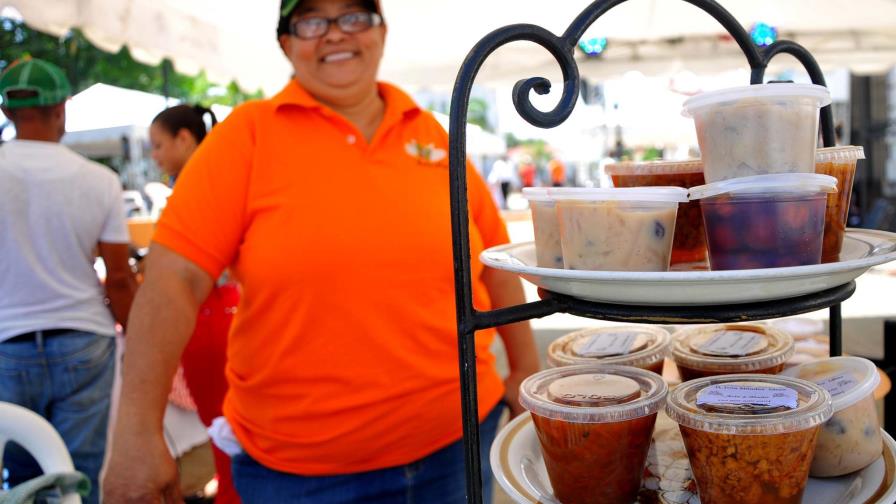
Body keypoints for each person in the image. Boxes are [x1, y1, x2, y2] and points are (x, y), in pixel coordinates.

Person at [102, 0, 539, 502]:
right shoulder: (246, 137)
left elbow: (495, 265)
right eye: (311, 20)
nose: (334, 33)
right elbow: (172, 280)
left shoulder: (433, 134)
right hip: (301, 473)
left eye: (353, 15)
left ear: (380, 31)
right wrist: (136, 431)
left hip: (460, 443)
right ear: (286, 43)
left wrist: (524, 367)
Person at [0, 57, 137, 504]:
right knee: (77, 476)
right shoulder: (99, 180)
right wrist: (135, 338)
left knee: (22, 477)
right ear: (62, 107)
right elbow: (118, 278)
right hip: (83, 339)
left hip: (7, 342)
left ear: (7, 112)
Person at [149, 104, 242, 504]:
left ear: (184, 139)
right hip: (222, 311)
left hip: (210, 315)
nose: (154, 155)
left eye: (158, 145)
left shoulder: (196, 185)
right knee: (228, 431)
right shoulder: (220, 177)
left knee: (225, 430)